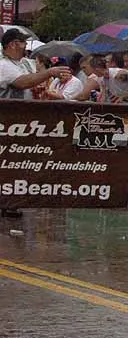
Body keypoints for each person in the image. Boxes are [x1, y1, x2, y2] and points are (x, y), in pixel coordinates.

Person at [0, 29, 71, 218]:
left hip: (22, 122)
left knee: (16, 163)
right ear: (13, 44)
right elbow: (22, 82)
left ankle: (11, 202)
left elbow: (32, 82)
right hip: (7, 121)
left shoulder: (23, 63)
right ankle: (8, 202)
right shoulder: (4, 65)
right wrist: (49, 72)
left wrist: (42, 85)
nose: (25, 46)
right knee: (8, 162)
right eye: (22, 42)